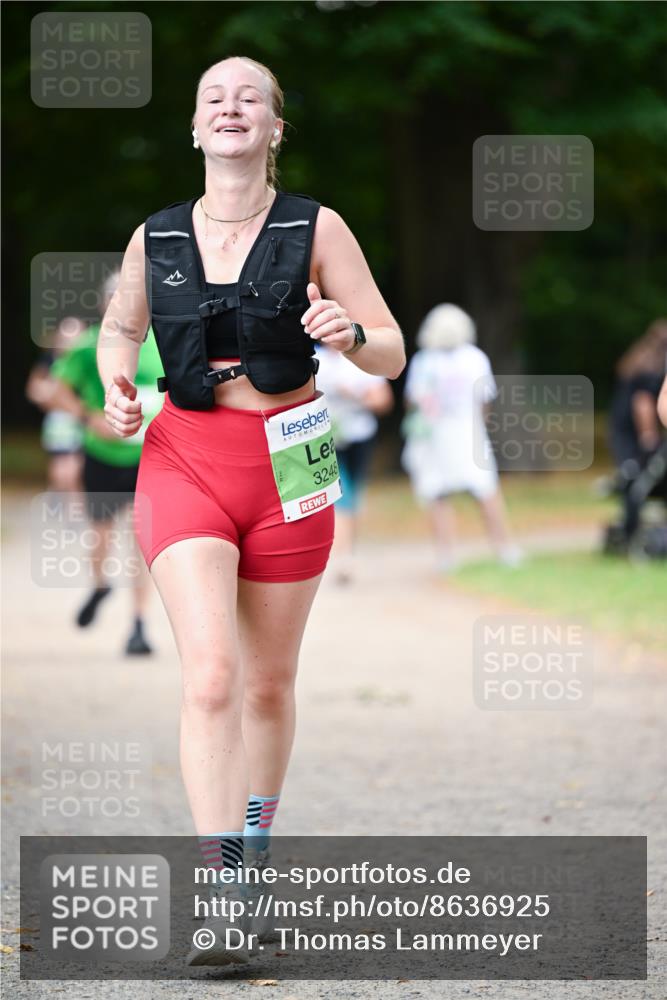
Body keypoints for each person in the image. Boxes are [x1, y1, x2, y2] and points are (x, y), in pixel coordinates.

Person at [98, 55, 405, 965]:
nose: (230, 109)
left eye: (251, 99)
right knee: (211, 678)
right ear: (195, 128)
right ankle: (221, 888)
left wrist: (351, 336)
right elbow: (122, 325)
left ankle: (254, 852)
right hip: (185, 457)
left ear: (274, 128)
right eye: (213, 99)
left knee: (268, 684)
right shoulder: (154, 238)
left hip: (291, 463)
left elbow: (389, 350)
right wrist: (120, 378)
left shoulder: (318, 226)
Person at [45, 274, 164, 654]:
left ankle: (139, 625)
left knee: (142, 541)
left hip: (148, 455)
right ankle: (100, 584)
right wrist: (89, 419)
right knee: (101, 537)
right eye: (117, 299)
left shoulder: (161, 343)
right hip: (102, 453)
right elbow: (56, 391)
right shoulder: (86, 346)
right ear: (105, 305)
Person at [401, 303, 521, 572]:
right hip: (469, 433)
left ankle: (446, 555)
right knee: (486, 491)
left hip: (434, 437)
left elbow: (412, 402)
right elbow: (484, 401)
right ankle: (505, 548)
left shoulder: (424, 360)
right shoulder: (475, 357)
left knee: (437, 495)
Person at [314, 342, 394, 584]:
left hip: (358, 435)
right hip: (326, 436)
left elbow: (383, 401)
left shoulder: (363, 358)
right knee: (342, 494)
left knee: (353, 493)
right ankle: (344, 558)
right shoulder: (315, 358)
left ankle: (346, 549)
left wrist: (356, 395)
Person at [608, 319, 667, 544]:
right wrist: (649, 437)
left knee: (631, 478)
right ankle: (631, 534)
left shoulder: (636, 361)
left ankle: (628, 532)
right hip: (635, 436)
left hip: (620, 431)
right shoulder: (651, 370)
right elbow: (642, 404)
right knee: (639, 479)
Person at [25, 316, 87, 494]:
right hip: (61, 421)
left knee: (76, 464)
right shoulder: (50, 361)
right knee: (63, 462)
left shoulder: (84, 361)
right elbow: (34, 390)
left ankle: (70, 502)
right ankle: (66, 500)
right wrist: (51, 398)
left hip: (81, 419)